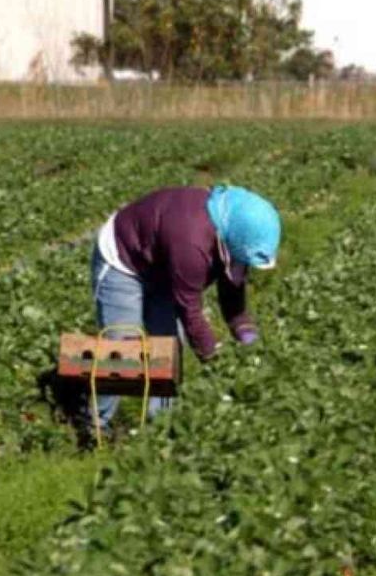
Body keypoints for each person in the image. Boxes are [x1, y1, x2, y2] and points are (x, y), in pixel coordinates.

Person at [88, 184, 280, 433]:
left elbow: (232, 295)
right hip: (124, 259)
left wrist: (247, 335)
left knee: (168, 349)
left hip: (163, 266)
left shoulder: (231, 233)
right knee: (123, 346)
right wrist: (214, 358)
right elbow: (189, 310)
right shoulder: (192, 241)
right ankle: (94, 427)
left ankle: (159, 428)